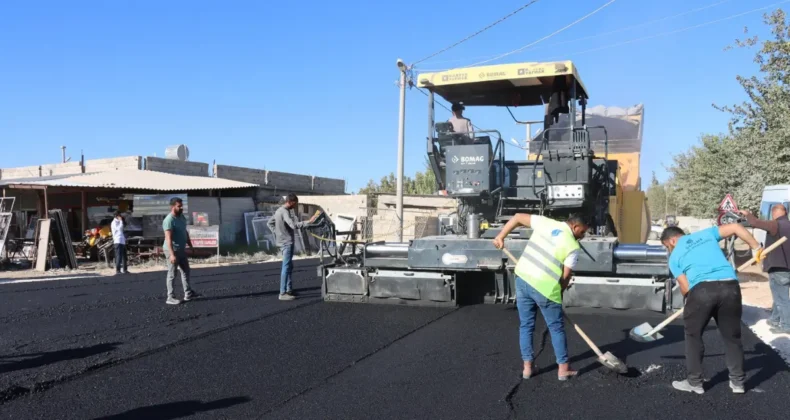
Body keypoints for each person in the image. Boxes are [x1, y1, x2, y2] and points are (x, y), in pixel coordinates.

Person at [660, 224, 764, 395]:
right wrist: (756, 247)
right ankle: (738, 383)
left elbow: (685, 288)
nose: (668, 250)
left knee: (693, 336)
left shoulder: (674, 258)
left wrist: (691, 301)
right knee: (732, 337)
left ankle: (695, 383)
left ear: (671, 240)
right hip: (730, 287)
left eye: (667, 246)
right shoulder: (706, 234)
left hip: (701, 290)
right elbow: (736, 227)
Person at [492, 213, 589, 381]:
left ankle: (528, 368)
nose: (583, 236)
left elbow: (516, 218)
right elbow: (565, 277)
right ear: (575, 227)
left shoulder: (546, 223)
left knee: (526, 325)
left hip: (522, 279)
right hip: (545, 287)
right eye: (583, 232)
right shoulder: (573, 247)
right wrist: (558, 294)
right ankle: (563, 369)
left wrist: (501, 236)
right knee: (556, 328)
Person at [740, 205, 790, 334]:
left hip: (779, 267)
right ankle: (774, 319)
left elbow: (754, 222)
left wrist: (747, 213)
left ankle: (786, 325)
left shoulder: (775, 225)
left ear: (774, 213)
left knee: (782, 298)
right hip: (787, 268)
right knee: (778, 296)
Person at [267, 193, 318, 301]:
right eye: (295, 203)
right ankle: (282, 293)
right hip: (287, 243)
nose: (295, 206)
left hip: (282, 242)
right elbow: (293, 225)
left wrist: (277, 233)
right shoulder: (285, 212)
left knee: (289, 266)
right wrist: (309, 221)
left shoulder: (278, 211)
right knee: (286, 267)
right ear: (290, 202)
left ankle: (289, 289)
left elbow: (269, 223)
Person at [163, 197, 200, 305]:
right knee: (172, 274)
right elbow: (168, 239)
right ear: (172, 206)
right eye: (179, 206)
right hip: (172, 250)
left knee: (186, 271)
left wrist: (190, 245)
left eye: (182, 206)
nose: (181, 208)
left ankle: (188, 293)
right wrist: (172, 255)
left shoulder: (182, 217)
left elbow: (185, 232)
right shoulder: (169, 220)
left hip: (181, 249)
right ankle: (170, 297)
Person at [111, 210, 128, 275]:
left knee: (124, 256)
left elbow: (124, 227)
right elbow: (119, 229)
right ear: (116, 216)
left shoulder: (119, 221)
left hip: (122, 241)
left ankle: (125, 269)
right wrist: (121, 221)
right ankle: (118, 270)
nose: (120, 216)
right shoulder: (114, 222)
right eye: (119, 215)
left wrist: (122, 221)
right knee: (119, 256)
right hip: (117, 241)